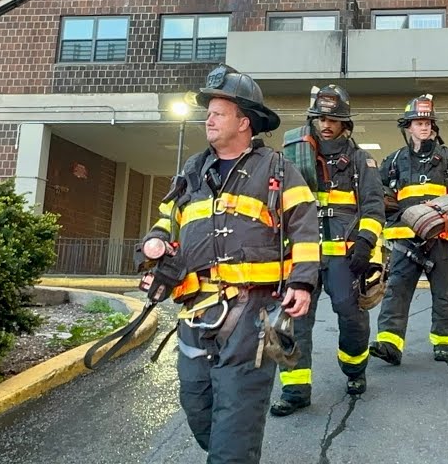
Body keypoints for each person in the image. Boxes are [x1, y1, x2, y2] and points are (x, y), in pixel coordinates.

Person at [135, 65, 319, 464]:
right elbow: (168, 218)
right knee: (197, 405)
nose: (209, 119)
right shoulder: (192, 170)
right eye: (209, 112)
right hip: (195, 311)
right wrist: (154, 242)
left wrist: (302, 282)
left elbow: (305, 228)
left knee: (235, 424)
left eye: (219, 112)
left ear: (244, 122)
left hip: (252, 314)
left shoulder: (277, 169)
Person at [271, 84, 386, 416]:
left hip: (345, 257)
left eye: (333, 119)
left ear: (344, 124)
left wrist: (365, 242)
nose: (326, 124)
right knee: (292, 320)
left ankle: (354, 370)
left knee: (352, 318)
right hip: (301, 255)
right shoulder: (291, 156)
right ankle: (294, 389)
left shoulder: (361, 160)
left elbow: (374, 207)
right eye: (320, 118)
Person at [369, 94, 448, 365]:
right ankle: (390, 343)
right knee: (397, 291)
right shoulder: (394, 160)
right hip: (404, 238)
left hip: (441, 238)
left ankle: (442, 341)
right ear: (408, 127)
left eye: (428, 122)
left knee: (444, 293)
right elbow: (375, 192)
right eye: (418, 122)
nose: (424, 127)